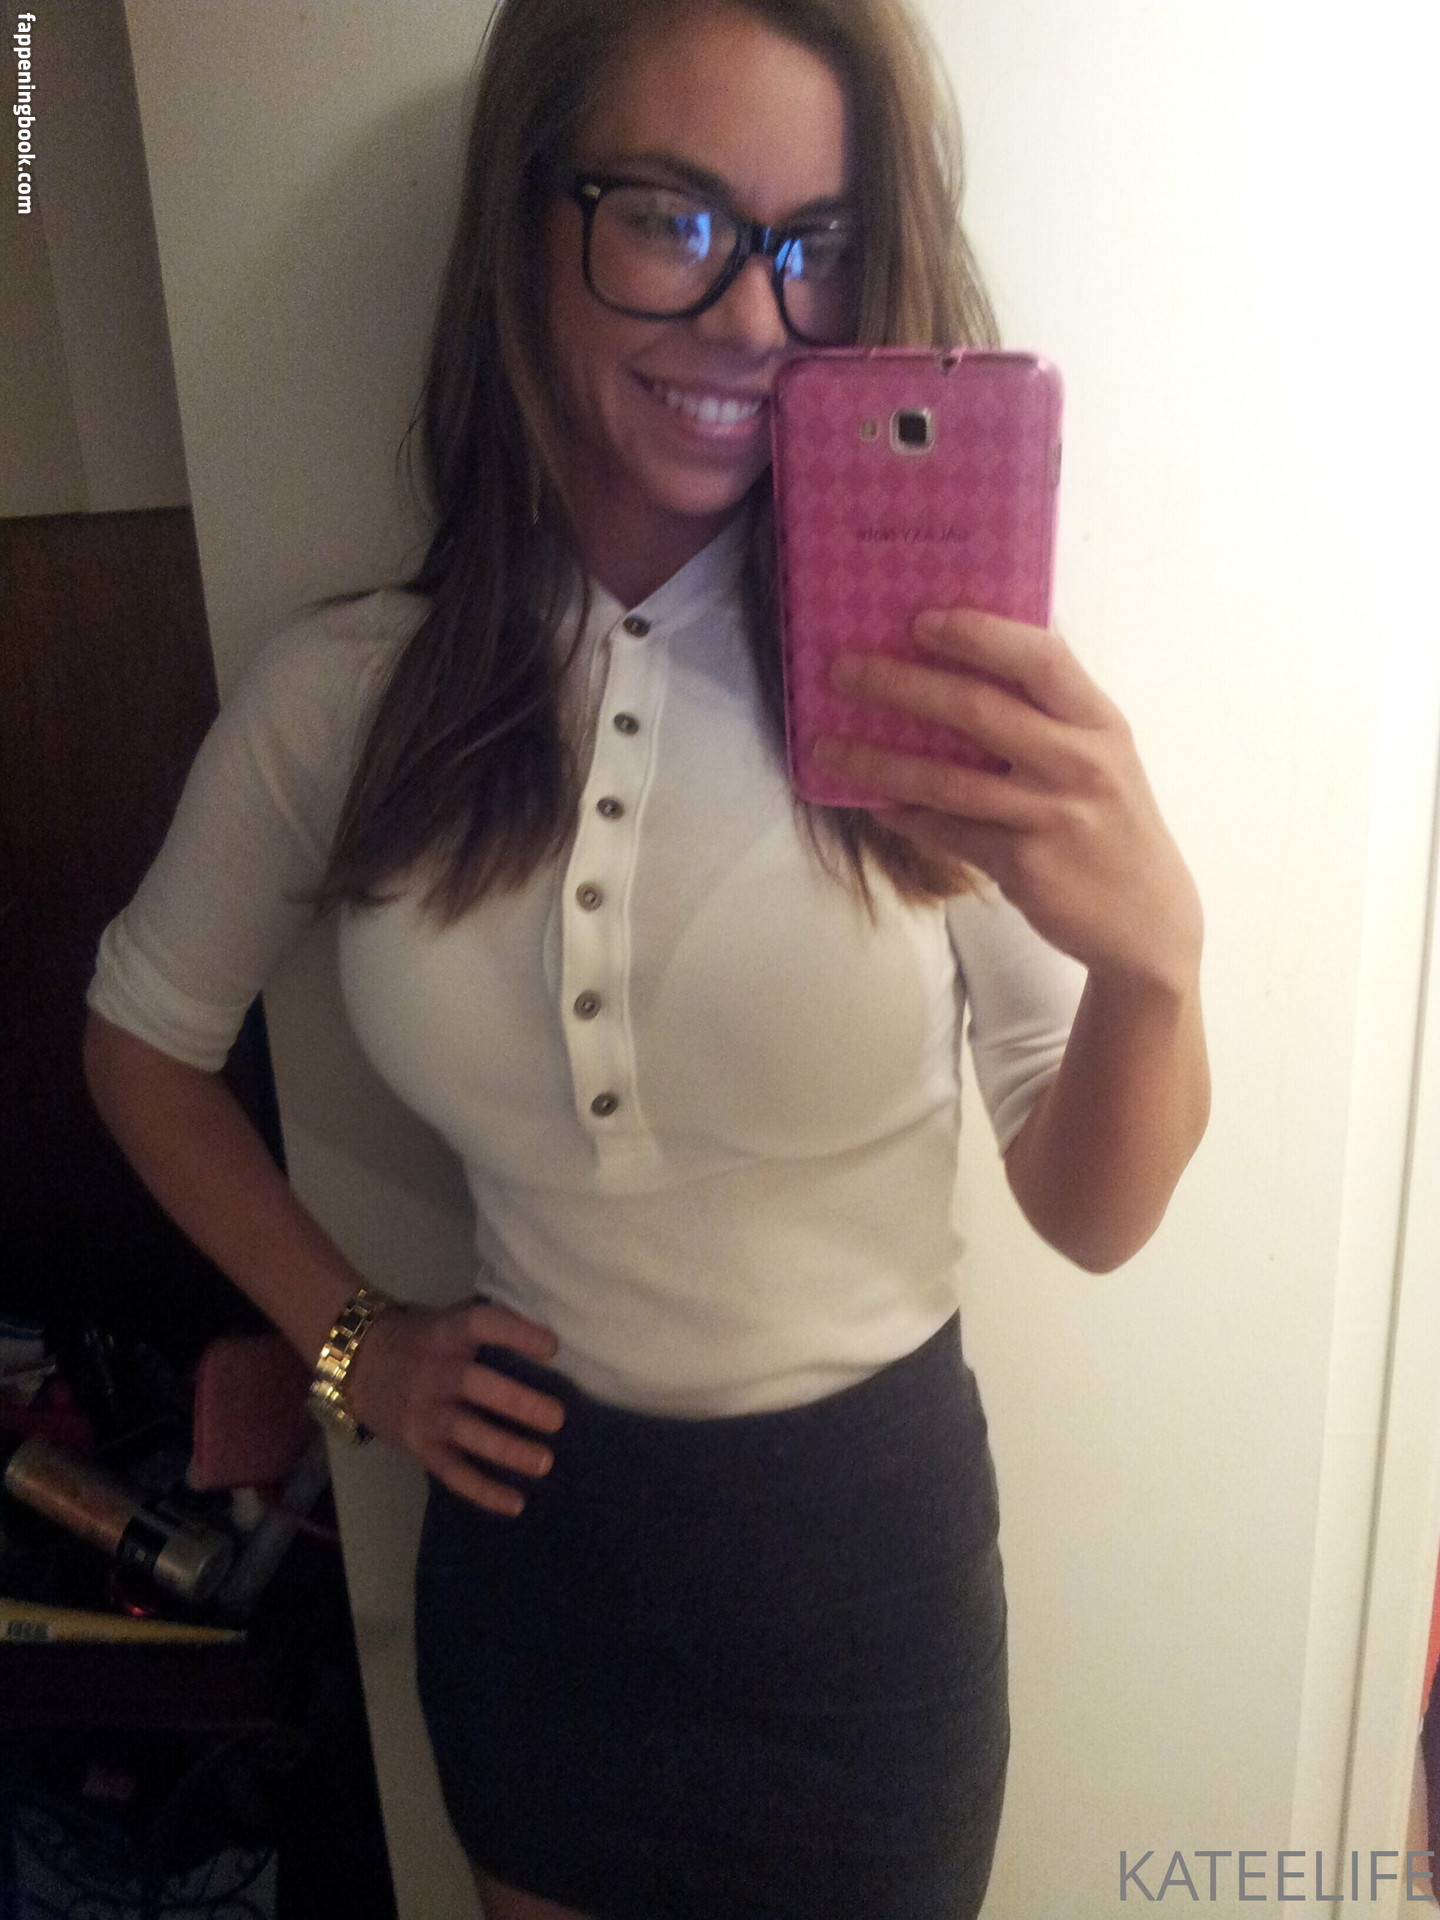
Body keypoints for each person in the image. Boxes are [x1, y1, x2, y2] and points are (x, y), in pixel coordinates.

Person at [83, 0, 1209, 1915]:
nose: (757, 317)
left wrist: (1156, 969)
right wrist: (354, 1351)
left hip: (862, 1612)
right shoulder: (349, 699)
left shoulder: (939, 695)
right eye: (672, 220)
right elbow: (140, 1037)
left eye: (815, 242)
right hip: (540, 1581)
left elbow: (1092, 1216)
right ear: (531, 222)